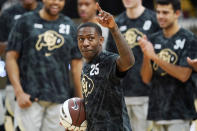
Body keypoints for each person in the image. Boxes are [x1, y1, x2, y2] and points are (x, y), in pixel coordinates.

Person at [5, 0, 83, 130]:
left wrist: (80, 100)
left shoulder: (69, 25)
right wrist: (19, 92)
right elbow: (10, 57)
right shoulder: (25, 21)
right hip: (29, 98)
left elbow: (76, 66)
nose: (56, 3)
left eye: (60, 0)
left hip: (59, 99)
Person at [139, 0, 197, 130]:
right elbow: (145, 78)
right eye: (158, 12)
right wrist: (146, 55)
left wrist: (154, 56)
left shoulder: (189, 39)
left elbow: (183, 75)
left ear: (177, 13)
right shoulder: (152, 39)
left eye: (165, 12)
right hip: (157, 112)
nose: (160, 16)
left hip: (180, 113)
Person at [76, 3, 135, 130]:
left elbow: (128, 61)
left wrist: (114, 29)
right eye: (81, 39)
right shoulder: (86, 66)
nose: (85, 43)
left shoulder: (108, 60)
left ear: (101, 40)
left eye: (91, 38)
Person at [106, 0, 160, 130]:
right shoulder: (117, 22)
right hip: (121, 96)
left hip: (148, 96)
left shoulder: (155, 20)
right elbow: (110, 59)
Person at [0, 0, 42, 130]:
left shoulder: (47, 11)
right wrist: (17, 43)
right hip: (16, 82)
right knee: (15, 124)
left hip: (45, 83)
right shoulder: (8, 14)